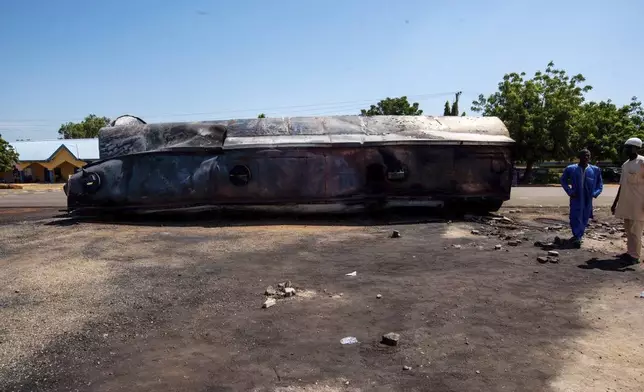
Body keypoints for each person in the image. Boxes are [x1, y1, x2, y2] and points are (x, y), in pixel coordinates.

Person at [560, 149, 604, 248]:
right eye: (584, 155)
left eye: (588, 155)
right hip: (576, 197)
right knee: (574, 216)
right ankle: (577, 235)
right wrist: (569, 191)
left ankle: (579, 236)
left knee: (585, 216)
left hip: (588, 198)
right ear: (579, 157)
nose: (586, 157)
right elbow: (563, 180)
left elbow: (600, 184)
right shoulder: (571, 168)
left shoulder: (595, 170)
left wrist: (595, 193)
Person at [611, 137, 644, 264]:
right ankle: (630, 252)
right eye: (626, 147)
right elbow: (622, 185)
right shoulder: (625, 164)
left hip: (638, 203)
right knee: (628, 229)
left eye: (628, 147)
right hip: (626, 203)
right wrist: (615, 203)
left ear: (636, 148)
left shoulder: (642, 162)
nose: (626, 150)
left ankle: (635, 257)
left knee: (636, 230)